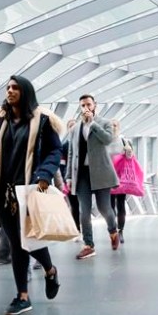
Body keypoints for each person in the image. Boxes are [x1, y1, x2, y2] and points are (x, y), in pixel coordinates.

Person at [0, 76, 62, 315]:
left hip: (28, 190)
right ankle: (23, 296)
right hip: (3, 192)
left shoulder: (41, 121)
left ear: (25, 92)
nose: (10, 91)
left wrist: (45, 174)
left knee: (26, 240)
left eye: (15, 88)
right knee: (16, 243)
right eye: (7, 88)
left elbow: (55, 149)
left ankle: (48, 271)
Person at [66, 94, 121, 258]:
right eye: (82, 105)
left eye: (88, 104)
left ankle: (113, 230)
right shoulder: (75, 128)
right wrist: (69, 175)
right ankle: (89, 245)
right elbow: (71, 153)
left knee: (105, 208)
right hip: (81, 174)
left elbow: (108, 139)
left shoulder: (104, 123)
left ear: (94, 105)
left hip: (101, 173)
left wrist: (93, 124)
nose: (86, 108)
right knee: (84, 210)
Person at [110, 138, 143, 244]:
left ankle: (120, 231)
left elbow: (131, 156)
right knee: (110, 207)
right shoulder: (106, 140)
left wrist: (128, 149)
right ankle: (113, 230)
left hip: (121, 178)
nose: (113, 126)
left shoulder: (123, 141)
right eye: (112, 125)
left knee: (120, 204)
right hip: (109, 176)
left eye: (115, 124)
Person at [60, 118, 80, 232]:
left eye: (74, 125)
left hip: (81, 180)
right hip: (70, 180)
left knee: (82, 206)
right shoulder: (64, 146)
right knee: (74, 205)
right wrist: (64, 179)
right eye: (70, 126)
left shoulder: (84, 145)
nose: (72, 128)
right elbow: (62, 165)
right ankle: (77, 229)